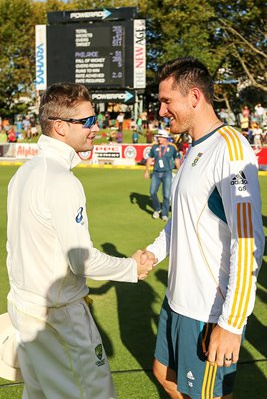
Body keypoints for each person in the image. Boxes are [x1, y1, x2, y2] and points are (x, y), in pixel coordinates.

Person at [6, 82, 156, 399]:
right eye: (86, 121)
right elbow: (81, 260)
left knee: (38, 395)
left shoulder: (25, 173)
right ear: (60, 127)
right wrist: (131, 268)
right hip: (59, 318)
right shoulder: (61, 180)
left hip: (27, 310)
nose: (94, 128)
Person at [143, 57, 265, 399]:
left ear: (194, 97)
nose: (162, 111)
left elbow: (249, 240)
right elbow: (179, 221)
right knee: (163, 374)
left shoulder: (231, 149)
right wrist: (153, 253)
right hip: (177, 299)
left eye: (167, 101)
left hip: (207, 309)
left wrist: (231, 323)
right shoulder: (194, 148)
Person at [144, 129, 180, 221]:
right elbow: (150, 158)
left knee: (166, 195)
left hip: (167, 172)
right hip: (156, 173)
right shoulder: (154, 147)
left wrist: (179, 171)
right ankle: (157, 209)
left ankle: (165, 213)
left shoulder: (172, 147)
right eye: (158, 137)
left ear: (165, 138)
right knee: (152, 192)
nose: (158, 138)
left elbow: (176, 159)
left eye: (160, 137)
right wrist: (147, 171)